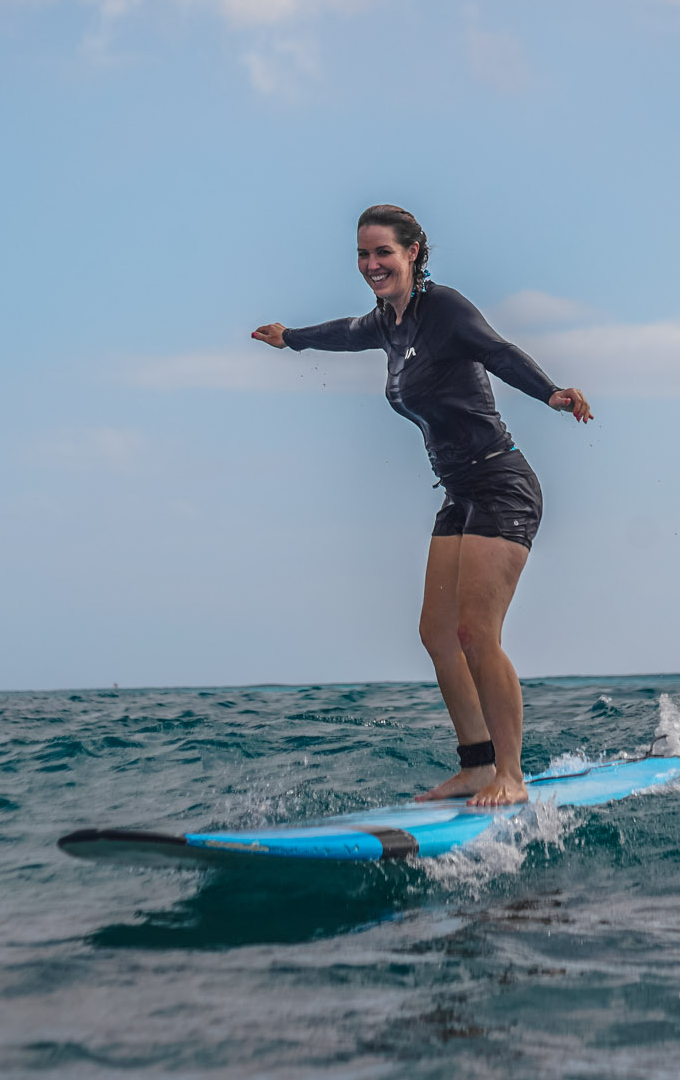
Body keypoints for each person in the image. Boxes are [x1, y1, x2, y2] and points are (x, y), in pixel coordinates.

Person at [252, 205, 592, 806]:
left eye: (382, 252)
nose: (371, 264)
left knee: (476, 633)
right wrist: (292, 339)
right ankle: (477, 765)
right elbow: (345, 333)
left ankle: (511, 776)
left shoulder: (444, 310)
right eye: (362, 254)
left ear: (413, 252)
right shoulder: (389, 322)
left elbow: (499, 352)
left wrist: (552, 393)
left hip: (499, 485)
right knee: (437, 634)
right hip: (459, 492)